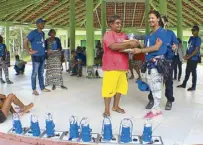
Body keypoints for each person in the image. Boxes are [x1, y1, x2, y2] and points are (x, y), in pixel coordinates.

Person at [131, 10, 167, 118]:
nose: (150, 20)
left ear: (158, 19)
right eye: (149, 18)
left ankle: (156, 110)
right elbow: (147, 48)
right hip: (149, 63)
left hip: (156, 63)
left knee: (156, 86)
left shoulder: (162, 32)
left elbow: (156, 47)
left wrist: (140, 51)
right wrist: (139, 44)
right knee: (152, 85)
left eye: (153, 18)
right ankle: (155, 108)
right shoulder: (150, 34)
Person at [102, 15, 140, 117]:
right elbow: (113, 46)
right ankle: (106, 110)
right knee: (108, 90)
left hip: (123, 66)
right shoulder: (108, 34)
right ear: (111, 24)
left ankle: (115, 106)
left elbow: (131, 45)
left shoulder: (124, 36)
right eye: (117, 23)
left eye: (120, 23)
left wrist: (135, 43)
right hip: (111, 67)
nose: (120, 25)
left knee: (120, 89)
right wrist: (129, 44)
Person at [146, 16, 178, 111]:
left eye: (162, 22)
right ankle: (152, 100)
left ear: (166, 23)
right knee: (153, 81)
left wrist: (174, 47)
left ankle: (169, 100)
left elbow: (176, 44)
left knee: (168, 82)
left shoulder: (170, 33)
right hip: (155, 61)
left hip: (168, 61)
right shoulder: (152, 34)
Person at [24, 18, 50, 95]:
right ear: (37, 24)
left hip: (42, 55)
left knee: (41, 73)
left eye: (44, 23)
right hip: (36, 56)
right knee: (34, 73)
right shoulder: (33, 33)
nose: (43, 24)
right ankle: (34, 90)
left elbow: (42, 44)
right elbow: (25, 41)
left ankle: (42, 88)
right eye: (41, 23)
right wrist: (29, 50)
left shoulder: (43, 33)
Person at [177, 25, 202, 91]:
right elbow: (189, 47)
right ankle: (184, 84)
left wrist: (189, 56)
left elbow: (196, 49)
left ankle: (193, 86)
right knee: (187, 71)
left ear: (197, 31)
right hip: (190, 57)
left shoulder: (198, 39)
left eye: (194, 30)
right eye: (192, 30)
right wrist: (186, 55)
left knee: (193, 72)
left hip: (194, 58)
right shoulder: (191, 38)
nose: (192, 31)